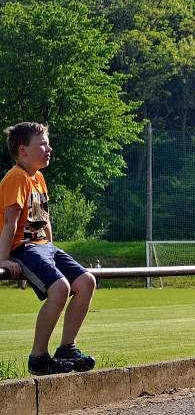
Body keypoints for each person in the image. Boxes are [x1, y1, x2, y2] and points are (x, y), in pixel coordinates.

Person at [0, 122, 96, 375]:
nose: (48, 148)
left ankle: (67, 347)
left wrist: (52, 248)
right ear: (23, 151)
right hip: (24, 247)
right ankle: (38, 357)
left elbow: (43, 218)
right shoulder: (16, 178)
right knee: (60, 288)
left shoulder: (38, 178)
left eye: (47, 143)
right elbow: (9, 222)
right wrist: (3, 259)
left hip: (44, 247)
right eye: (42, 144)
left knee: (86, 282)